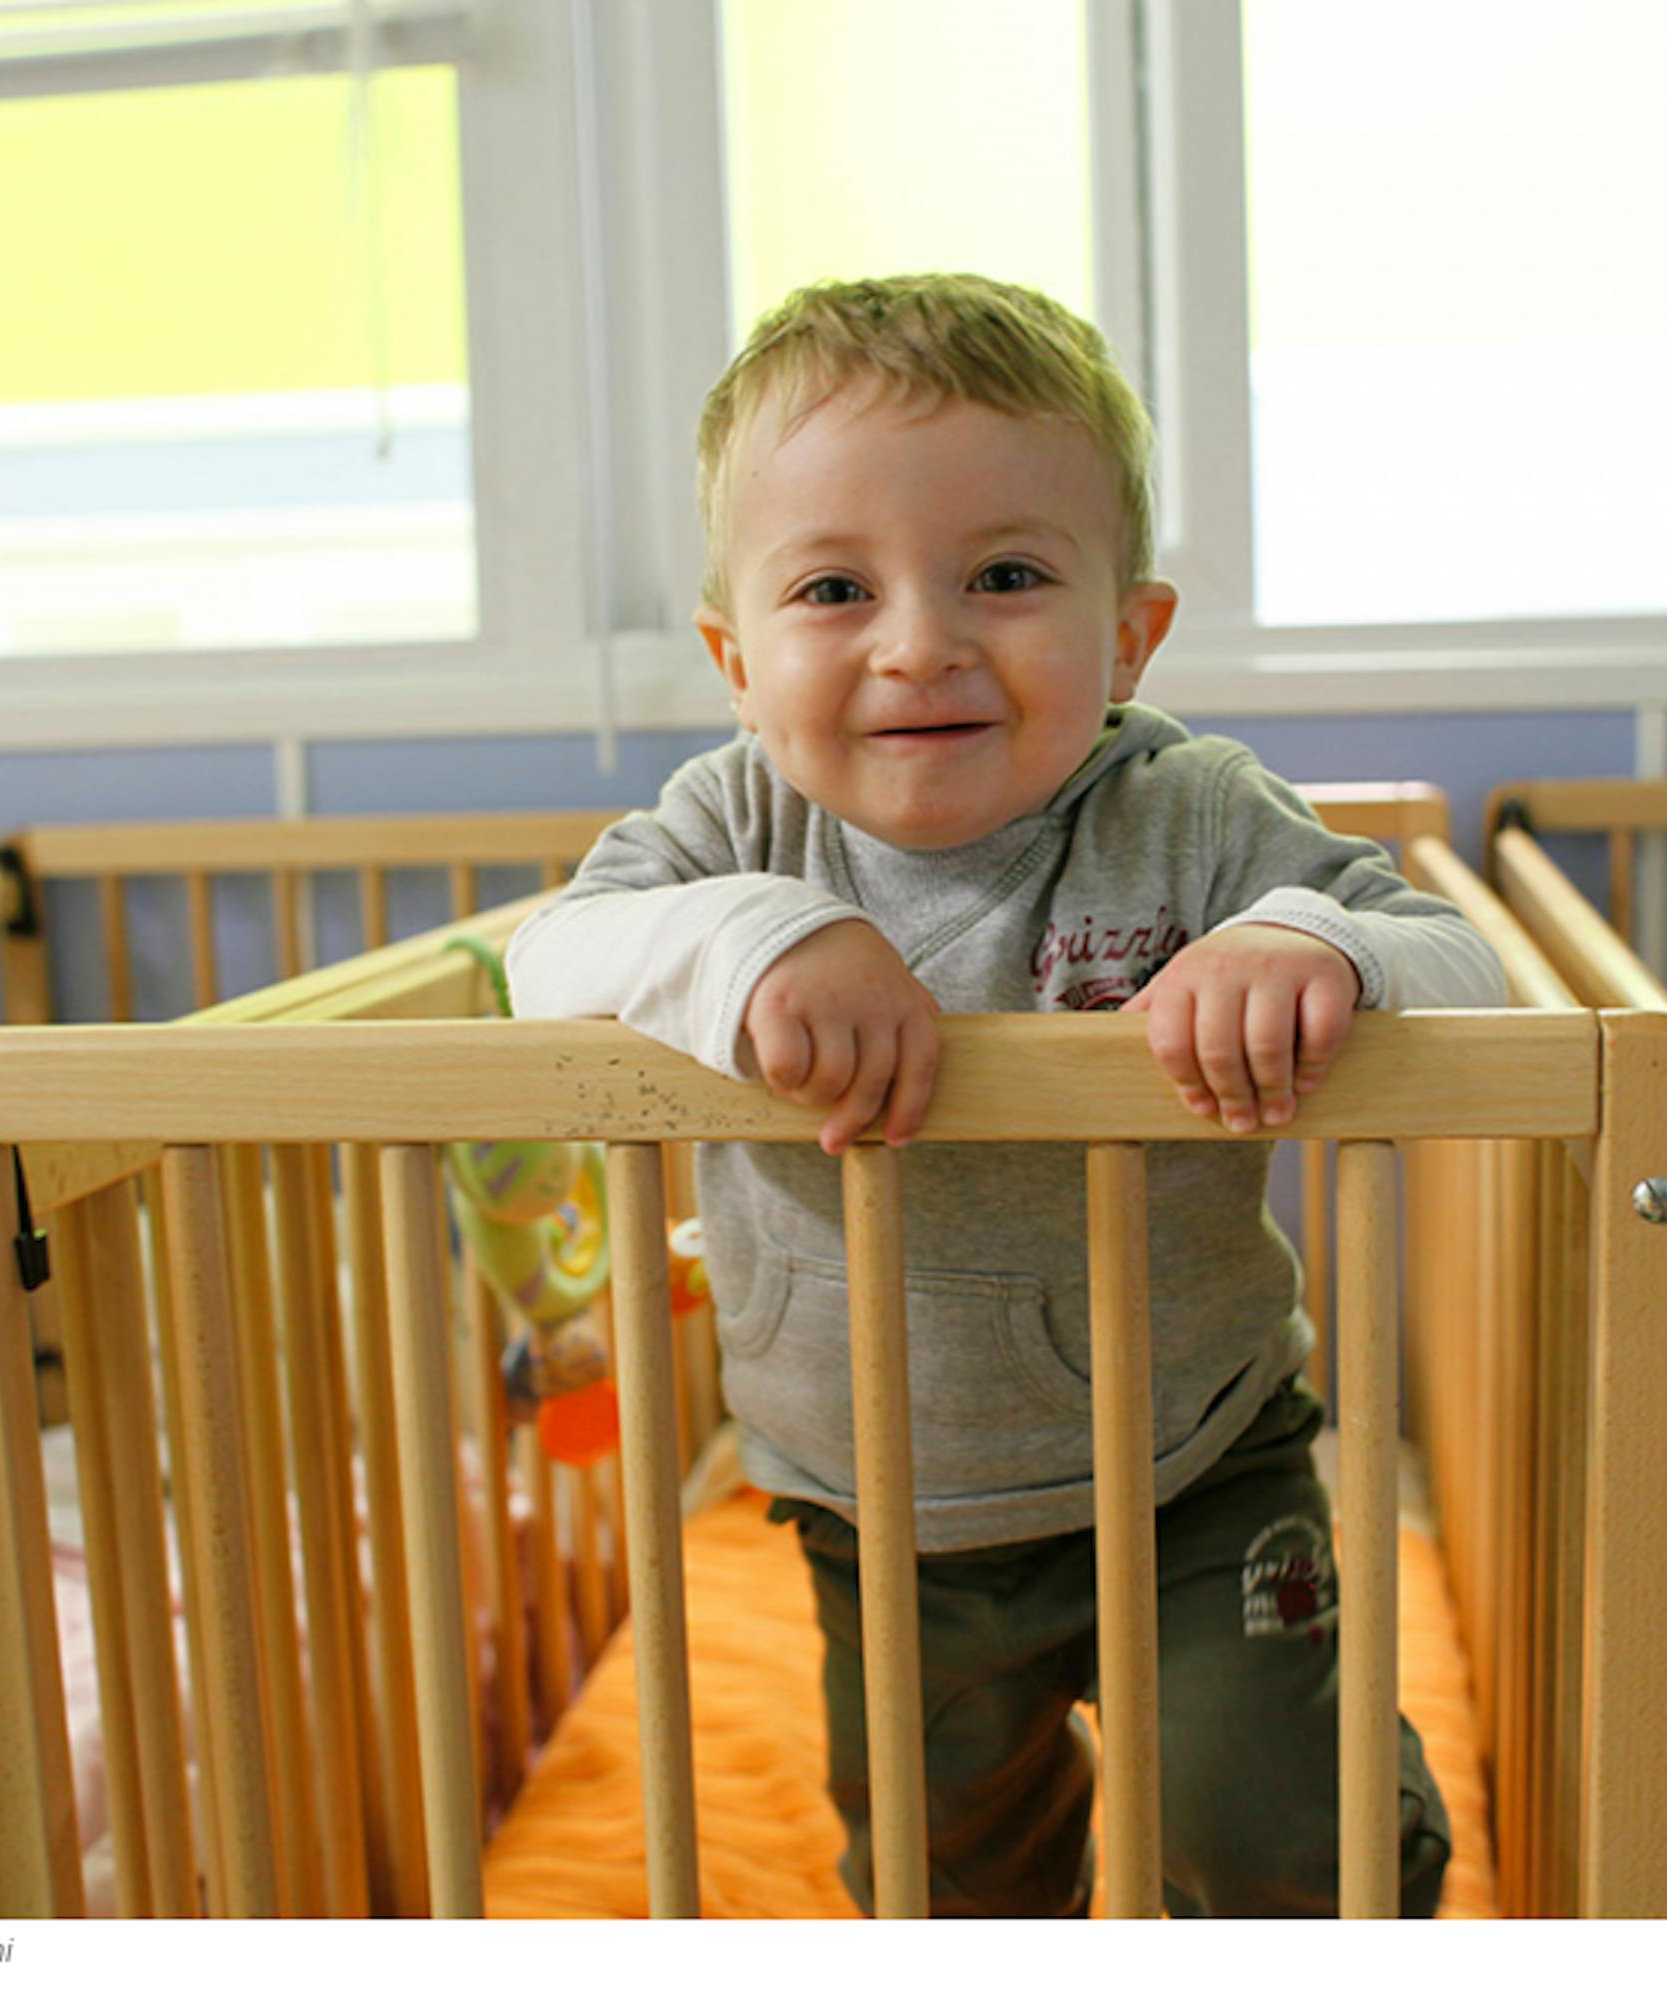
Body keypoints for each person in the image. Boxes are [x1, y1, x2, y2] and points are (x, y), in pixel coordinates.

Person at [508, 273, 1501, 1915]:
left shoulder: (1187, 815)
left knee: (1267, 1850)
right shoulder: (732, 831)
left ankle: (1347, 1790)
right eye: (834, 587)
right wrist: (753, 938)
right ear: (735, 660)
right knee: (945, 1882)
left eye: (1009, 576)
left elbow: (1466, 970)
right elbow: (551, 966)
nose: (921, 643)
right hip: (873, 1501)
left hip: (1193, 1459)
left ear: (1128, 632)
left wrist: (1305, 940)